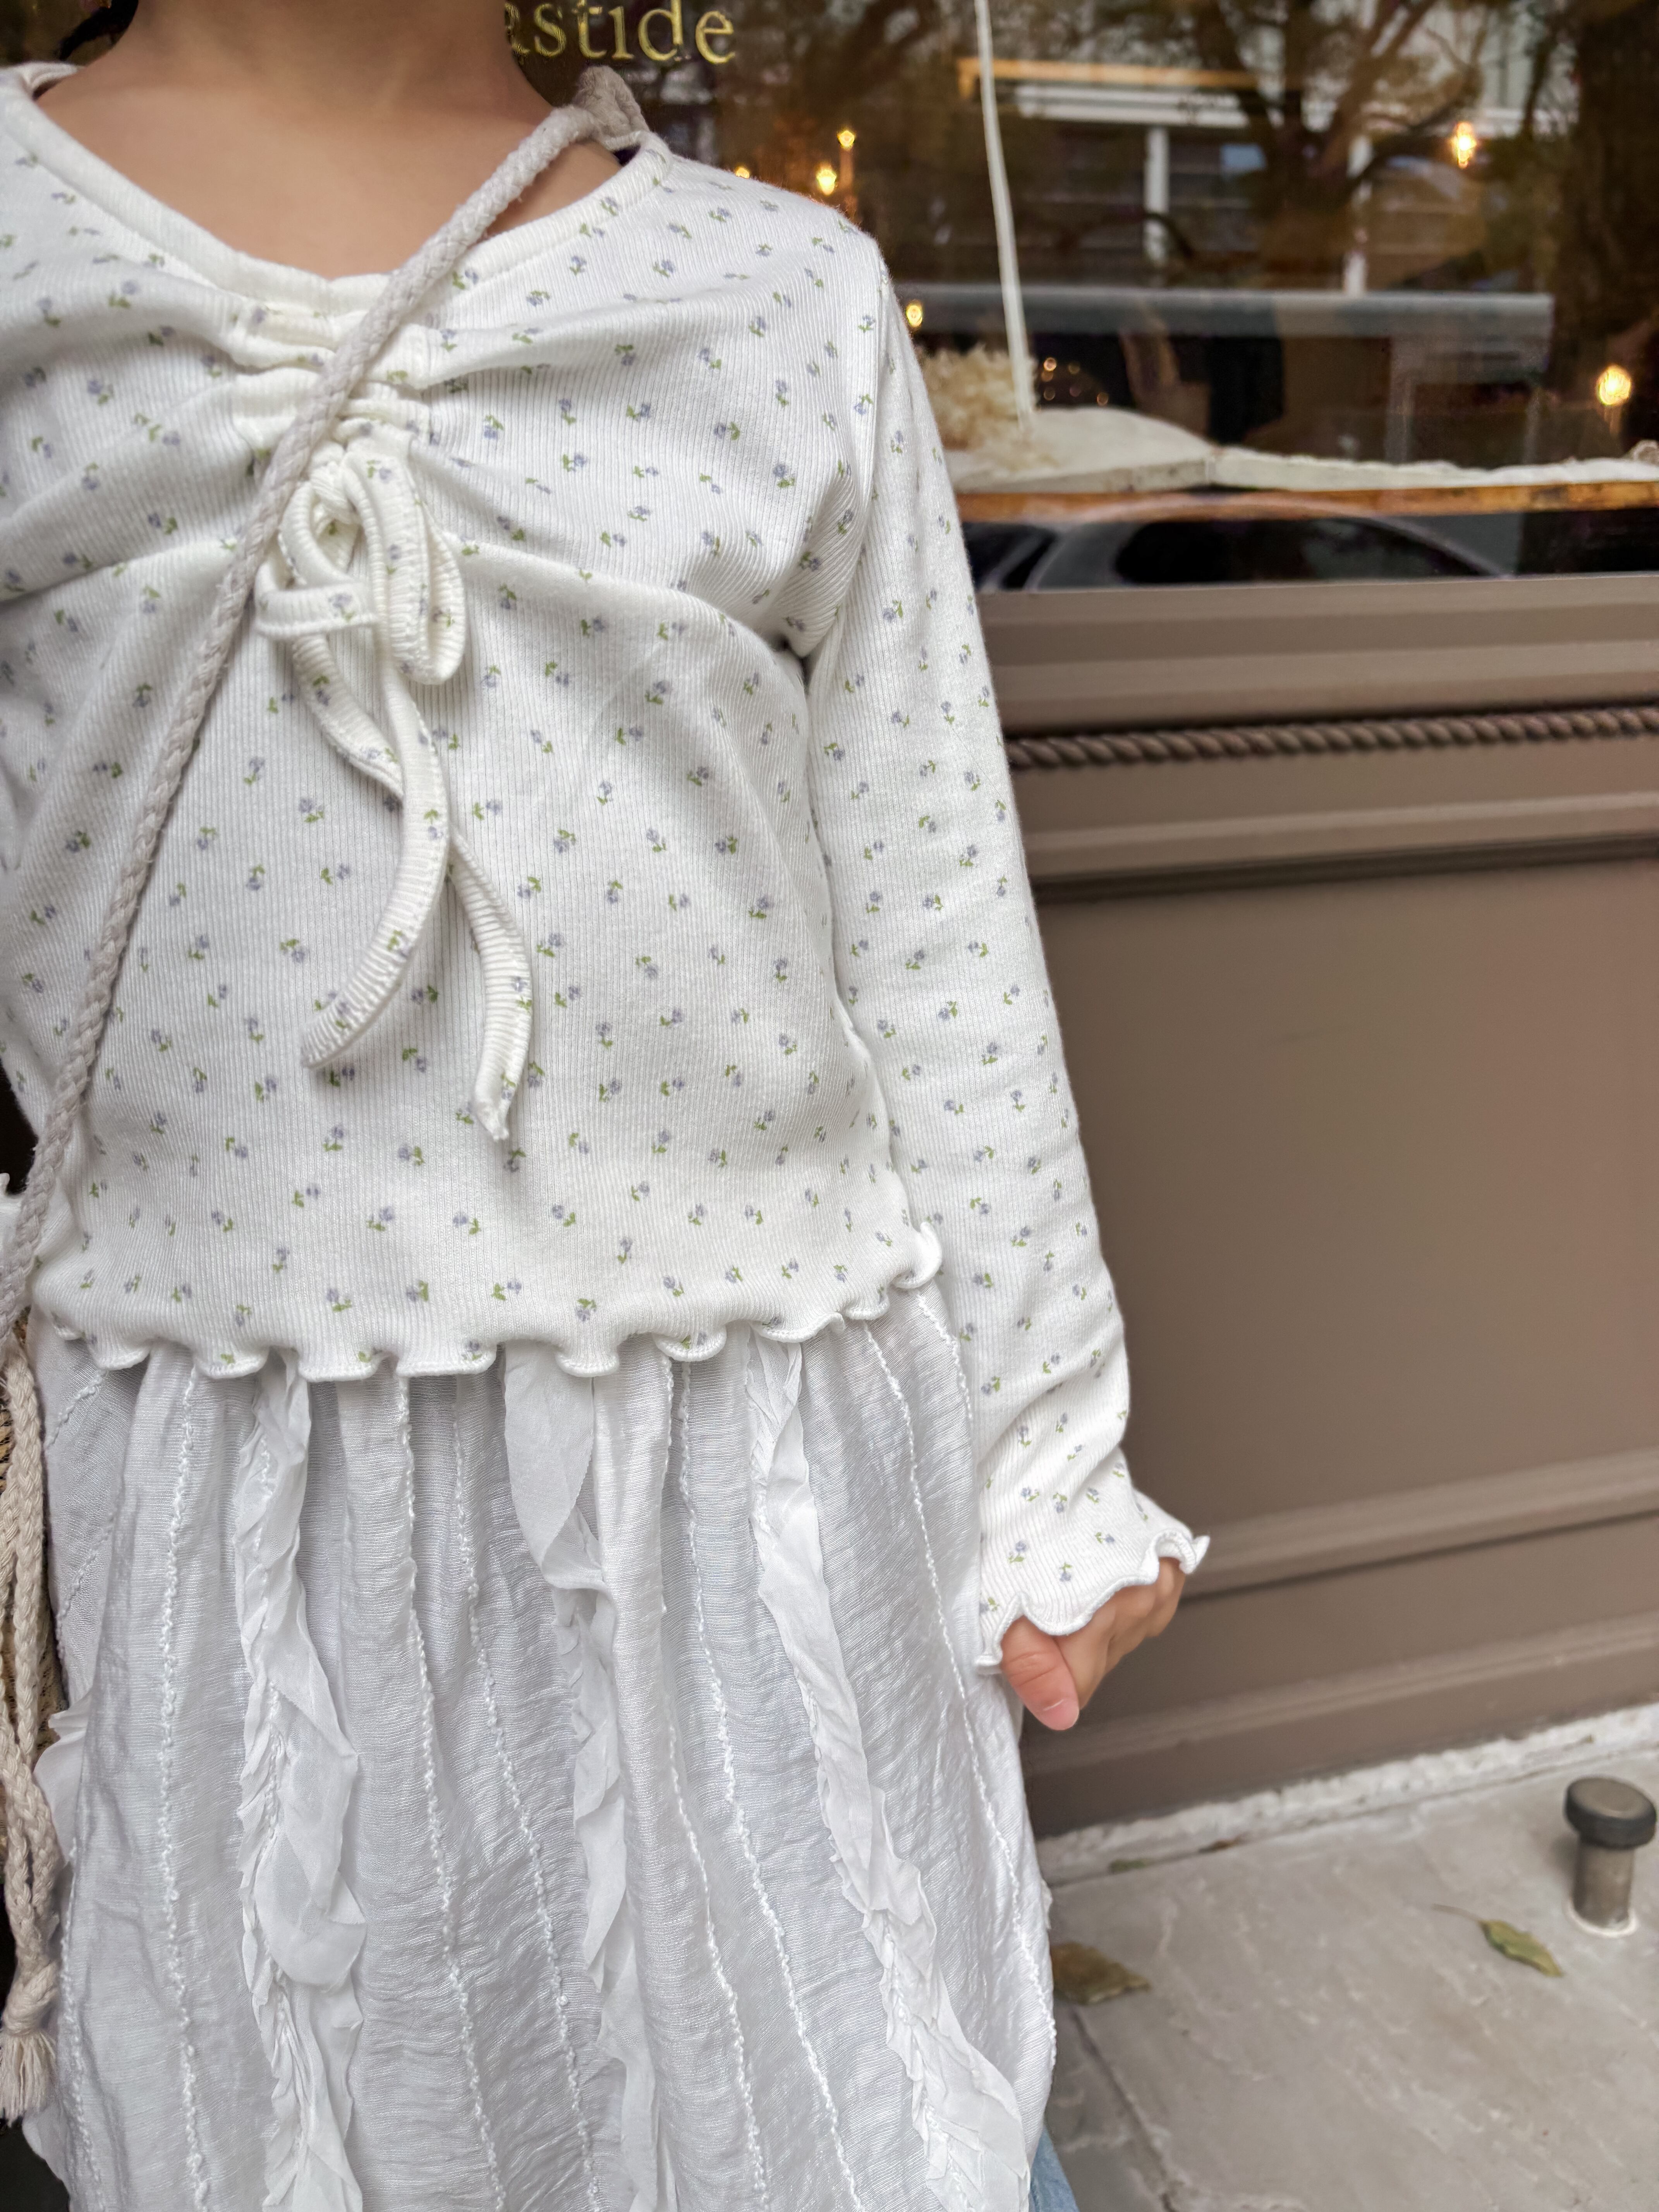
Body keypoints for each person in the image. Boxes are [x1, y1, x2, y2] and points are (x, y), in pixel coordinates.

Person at [0, 5, 1204, 2206]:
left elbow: (931, 905)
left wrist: (1046, 1459)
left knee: (821, 2073)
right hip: (241, 1478)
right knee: (332, 2082)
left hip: (761, 1461)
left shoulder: (779, 292)